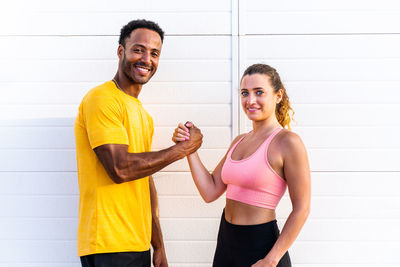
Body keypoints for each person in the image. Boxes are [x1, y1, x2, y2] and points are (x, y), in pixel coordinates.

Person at [74, 19, 203, 267]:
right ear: (121, 51)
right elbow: (120, 169)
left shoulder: (143, 115)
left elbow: (144, 179)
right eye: (138, 49)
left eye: (154, 53)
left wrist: (158, 244)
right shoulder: (102, 99)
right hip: (108, 244)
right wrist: (182, 149)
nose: (147, 59)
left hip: (137, 244)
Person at [172, 64, 311, 267]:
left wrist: (271, 260)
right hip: (226, 241)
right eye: (245, 93)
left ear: (278, 95)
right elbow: (210, 191)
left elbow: (302, 209)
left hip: (261, 247)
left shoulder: (288, 142)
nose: (250, 100)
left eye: (259, 92)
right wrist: (189, 149)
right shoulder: (239, 141)